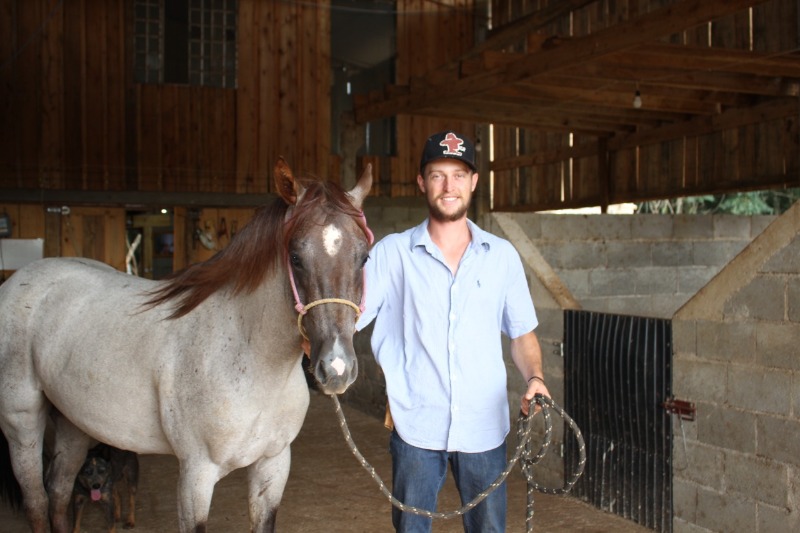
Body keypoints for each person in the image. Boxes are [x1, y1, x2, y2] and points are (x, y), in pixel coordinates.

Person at [355, 130, 550, 533]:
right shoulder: (392, 254)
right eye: (438, 174)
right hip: (416, 426)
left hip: (484, 427)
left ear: (474, 182)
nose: (449, 186)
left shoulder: (502, 257)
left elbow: (522, 336)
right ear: (422, 182)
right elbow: (348, 316)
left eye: (459, 175)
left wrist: (535, 377)